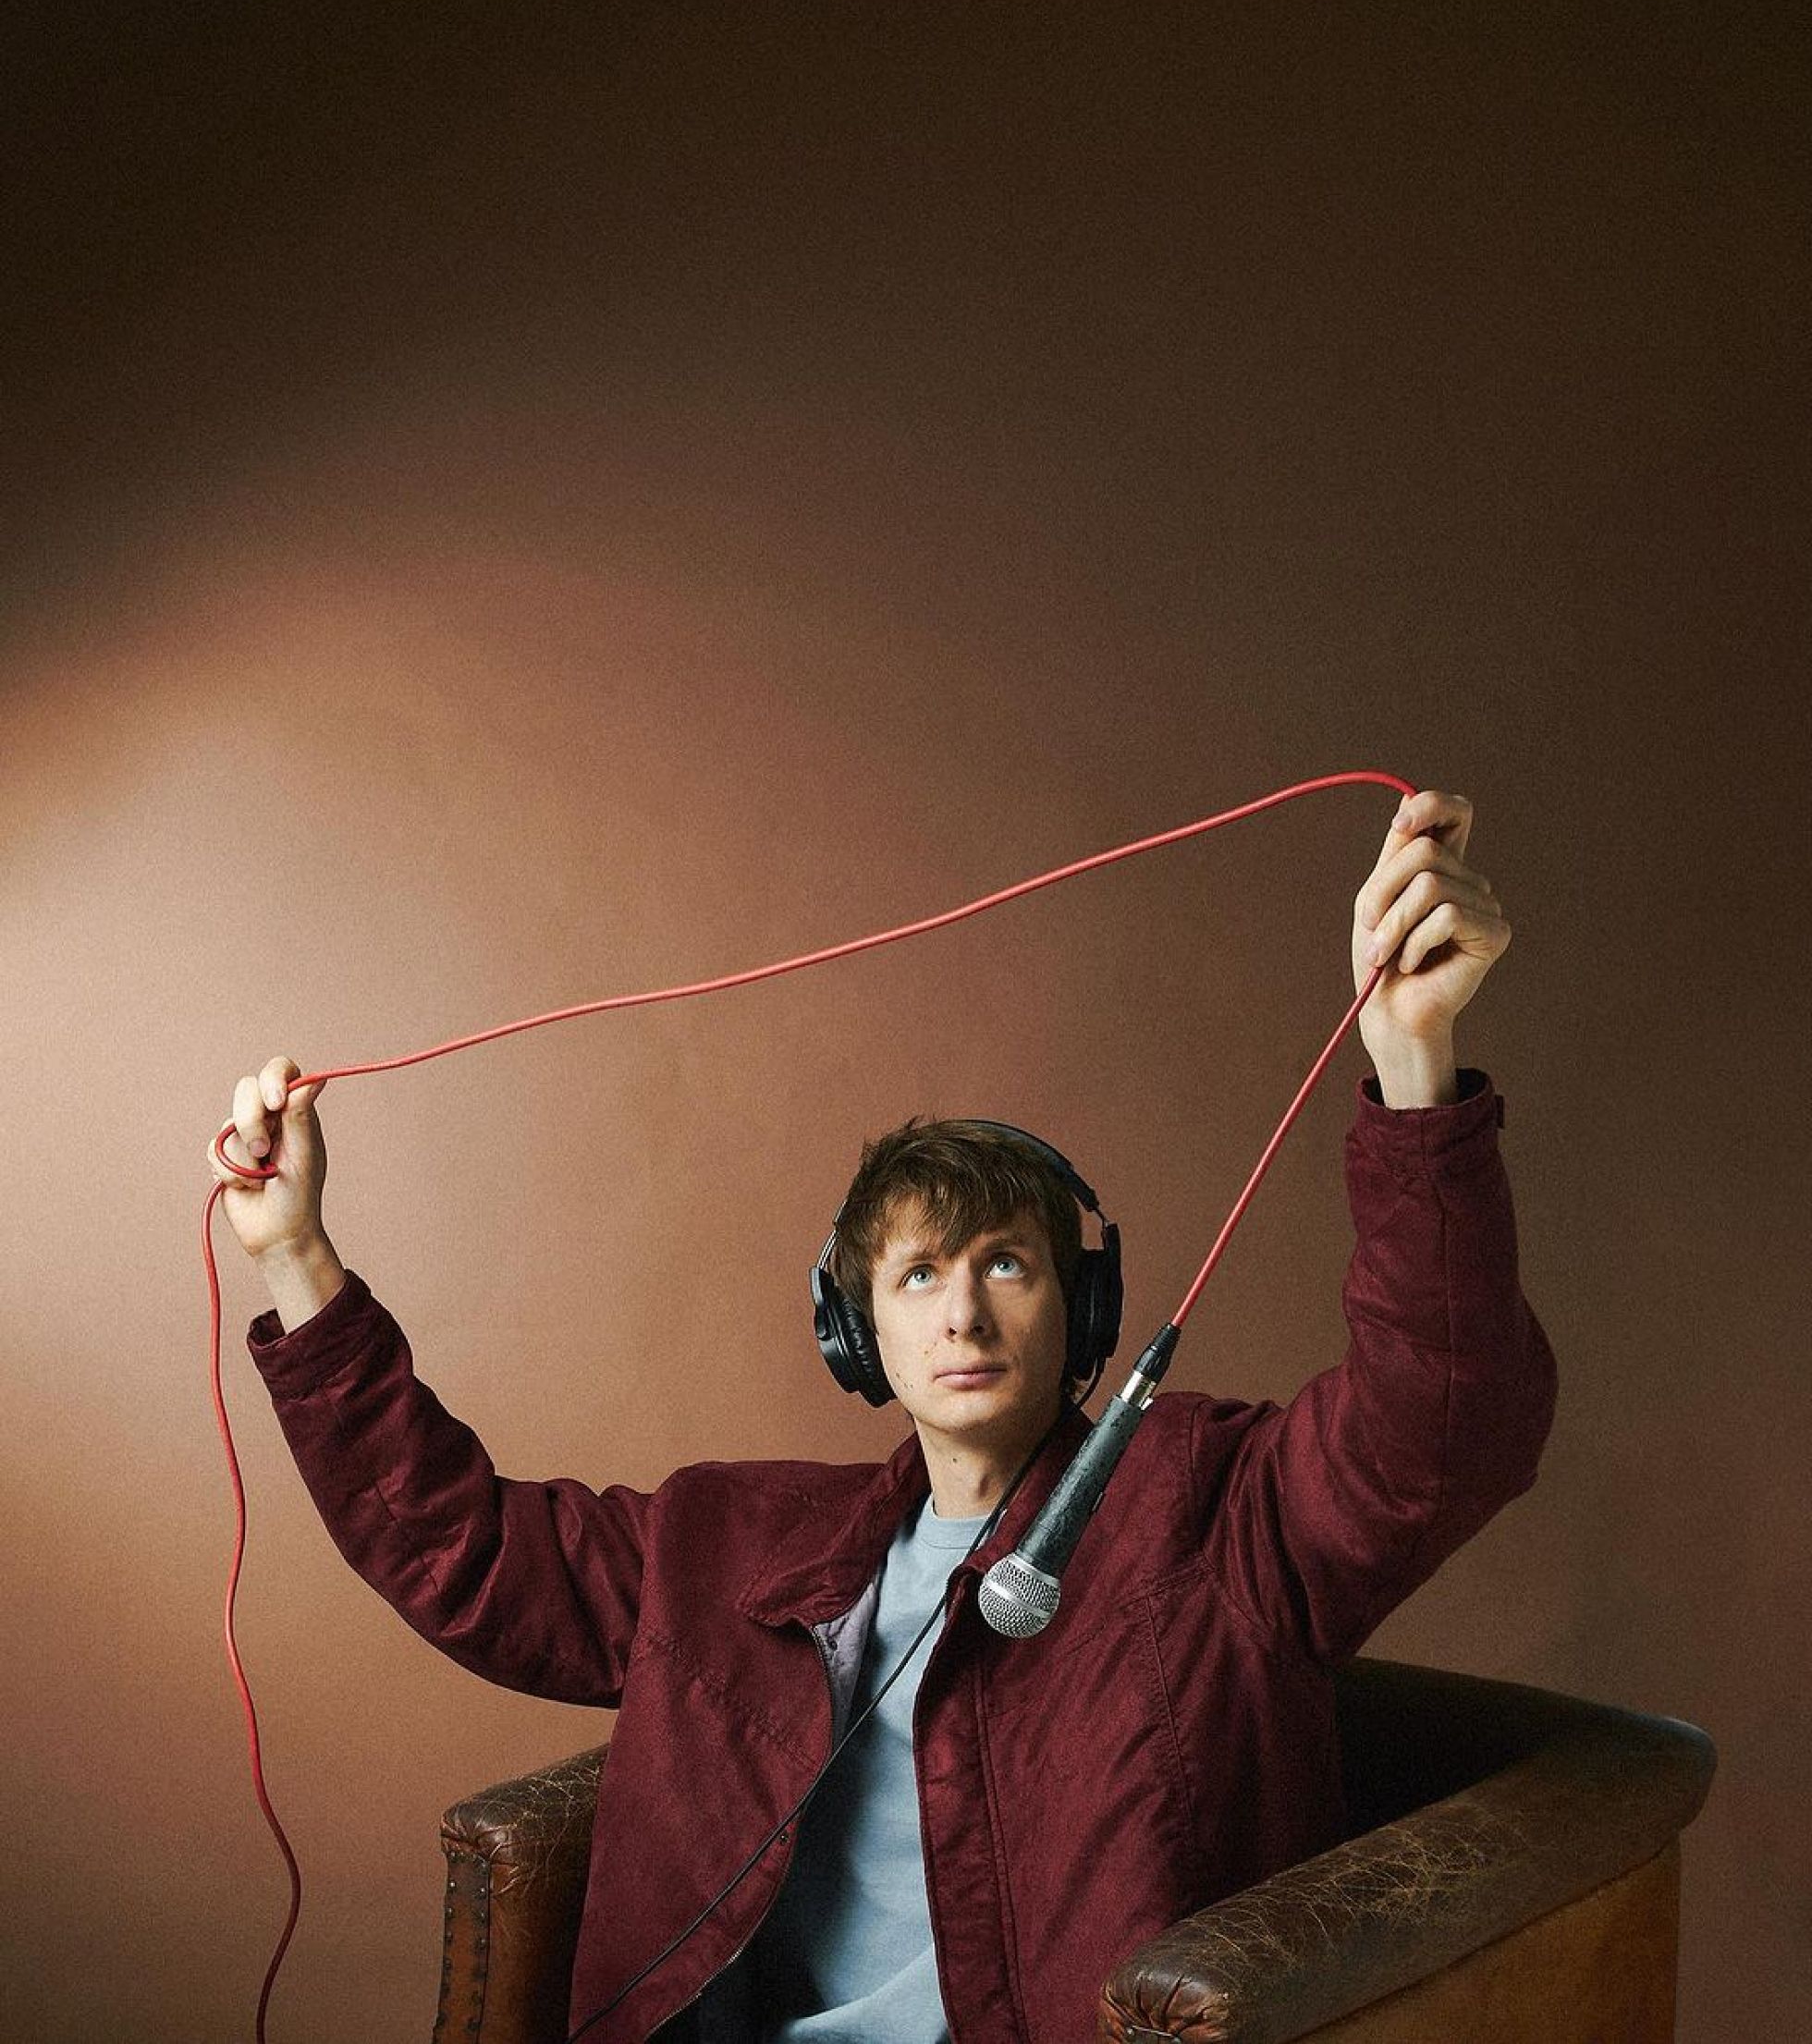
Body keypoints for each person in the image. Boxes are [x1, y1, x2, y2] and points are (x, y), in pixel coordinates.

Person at [213, 788, 1557, 2044]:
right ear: (856, 1329)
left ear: (1083, 1312)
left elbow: (1444, 1426)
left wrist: (1414, 1062)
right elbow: (462, 1552)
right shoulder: (728, 1538)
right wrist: (297, 1259)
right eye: (918, 1276)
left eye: (1006, 1266)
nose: (962, 1314)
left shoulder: (1217, 1505)